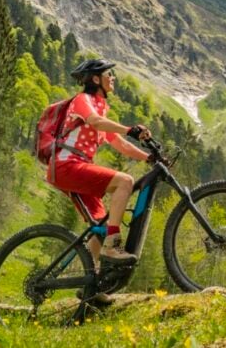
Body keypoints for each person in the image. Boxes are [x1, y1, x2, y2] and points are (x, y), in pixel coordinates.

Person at [48, 58, 154, 275]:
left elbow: (118, 143)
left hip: (75, 168)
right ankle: (113, 247)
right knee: (125, 181)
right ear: (96, 79)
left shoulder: (100, 107)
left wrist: (149, 158)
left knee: (102, 226)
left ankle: (91, 284)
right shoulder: (82, 99)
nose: (113, 78)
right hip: (67, 165)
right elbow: (95, 122)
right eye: (109, 75)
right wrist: (130, 128)